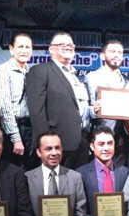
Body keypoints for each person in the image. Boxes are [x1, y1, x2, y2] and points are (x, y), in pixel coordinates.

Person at [27, 32, 91, 168]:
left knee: (77, 187)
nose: (67, 47)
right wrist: (47, 144)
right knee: (55, 188)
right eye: (62, 44)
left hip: (81, 142)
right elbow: (36, 111)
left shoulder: (76, 76)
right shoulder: (40, 71)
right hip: (57, 145)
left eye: (70, 45)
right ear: (51, 49)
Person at [86, 40, 129, 168]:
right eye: (112, 51)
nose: (116, 55)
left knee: (118, 175)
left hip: (121, 138)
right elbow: (87, 107)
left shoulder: (127, 81)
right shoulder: (92, 77)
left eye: (120, 52)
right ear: (102, 56)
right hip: (99, 134)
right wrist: (93, 109)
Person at [0, 33, 34, 168]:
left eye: (28, 47)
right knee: (13, 171)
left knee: (30, 170)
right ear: (12, 49)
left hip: (30, 128)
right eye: (20, 46)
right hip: (13, 129)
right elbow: (4, 108)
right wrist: (16, 138)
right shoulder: (4, 70)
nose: (24, 50)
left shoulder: (31, 71)